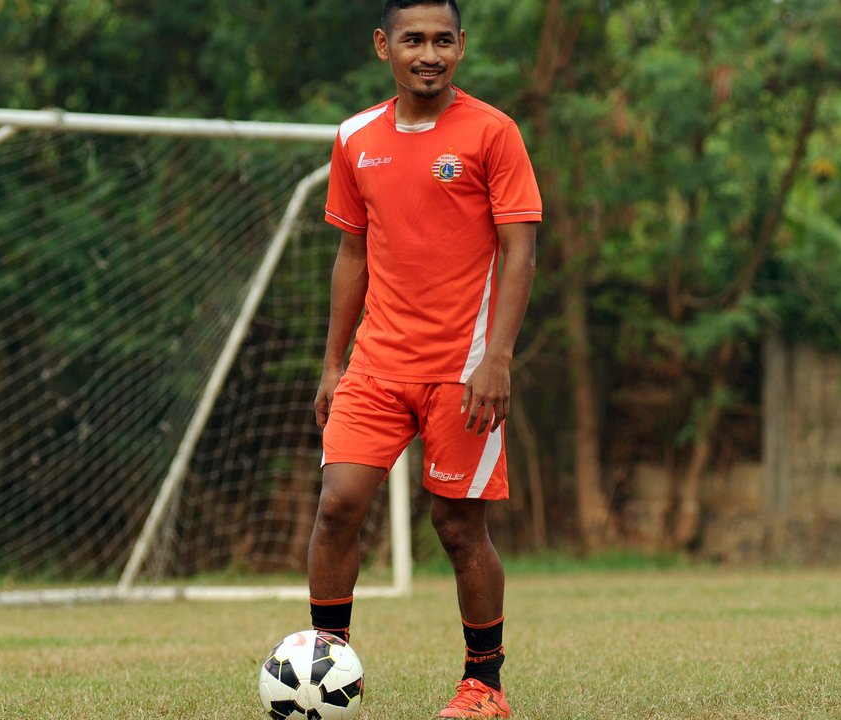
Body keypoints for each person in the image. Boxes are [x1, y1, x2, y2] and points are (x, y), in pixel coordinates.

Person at [307, 0, 540, 717]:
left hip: (463, 370)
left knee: (458, 527)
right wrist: (331, 362)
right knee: (338, 506)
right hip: (377, 363)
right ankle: (326, 668)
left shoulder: (493, 132)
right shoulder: (354, 138)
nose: (428, 53)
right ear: (385, 46)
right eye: (413, 40)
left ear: (462, 47)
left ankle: (484, 686)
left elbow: (521, 247)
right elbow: (351, 254)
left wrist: (498, 357)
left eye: (443, 40)